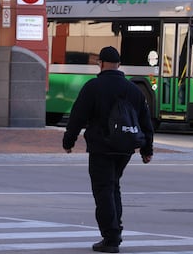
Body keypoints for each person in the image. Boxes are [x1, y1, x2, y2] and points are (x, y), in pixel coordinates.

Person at [62, 46, 154, 254]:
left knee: (104, 190)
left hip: (101, 147)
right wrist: (147, 150)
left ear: (101, 63)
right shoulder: (134, 90)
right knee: (113, 187)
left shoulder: (93, 87)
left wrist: (68, 141)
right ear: (119, 65)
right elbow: (145, 122)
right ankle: (115, 231)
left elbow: (77, 117)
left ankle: (111, 238)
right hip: (125, 148)